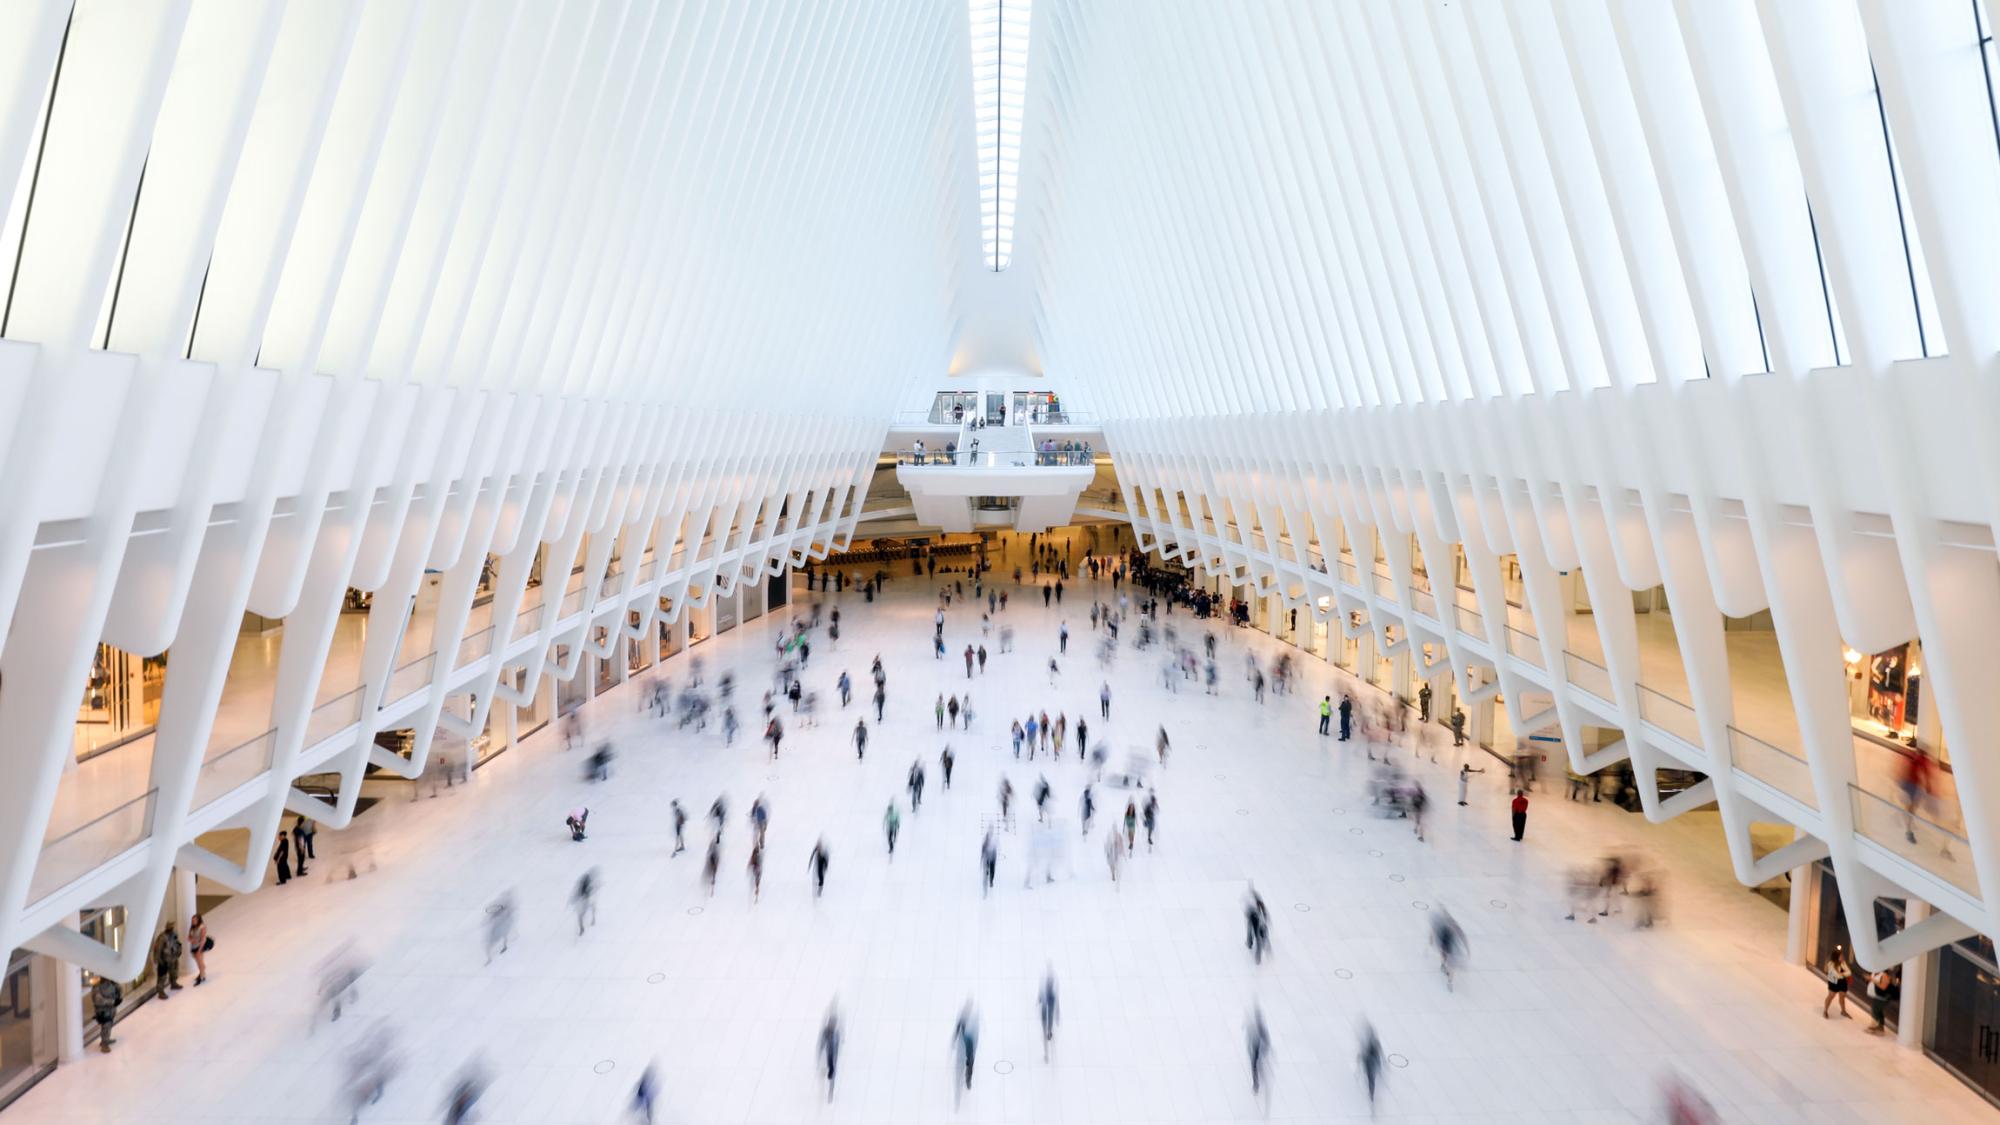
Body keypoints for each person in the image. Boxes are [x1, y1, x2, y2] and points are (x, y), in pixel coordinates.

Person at [952, 1002, 979, 1105]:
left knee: (970, 1062)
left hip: (969, 1044)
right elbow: (958, 1028)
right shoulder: (965, 1018)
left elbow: (958, 1029)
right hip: (967, 1044)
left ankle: (968, 1078)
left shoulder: (971, 1019)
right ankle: (968, 1078)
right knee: (969, 1061)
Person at [1433, 907, 1467, 990]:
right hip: (1446, 944)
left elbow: (1461, 935)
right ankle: (1445, 967)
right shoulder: (1445, 927)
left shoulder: (1450, 926)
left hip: (1450, 946)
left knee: (1450, 964)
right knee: (1445, 957)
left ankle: (1449, 979)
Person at [151, 922, 184, 999]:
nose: (172, 928)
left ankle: (173, 983)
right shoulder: (162, 937)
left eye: (172, 927)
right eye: (170, 927)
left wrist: (178, 951)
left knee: (174, 972)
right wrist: (158, 959)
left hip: (173, 957)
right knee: (162, 976)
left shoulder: (174, 934)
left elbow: (177, 943)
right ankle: (160, 991)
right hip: (164, 959)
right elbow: (157, 949)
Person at [1245, 1006, 1272, 1102]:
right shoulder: (1257, 1026)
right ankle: (1256, 1083)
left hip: (1256, 1048)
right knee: (1255, 1066)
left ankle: (1256, 1084)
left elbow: (1265, 1040)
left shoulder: (1256, 1027)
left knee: (1254, 1067)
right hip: (1256, 1048)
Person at [91, 975, 122, 1052]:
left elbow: (117, 992)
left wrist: (118, 996)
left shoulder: (112, 984)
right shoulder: (97, 987)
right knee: (106, 1026)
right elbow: (99, 1000)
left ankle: (106, 1039)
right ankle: (104, 1044)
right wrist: (112, 1001)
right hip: (103, 1011)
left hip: (111, 1010)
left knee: (109, 1026)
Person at [1357, 1022, 1385, 1110]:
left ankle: (1371, 1093)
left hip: (1369, 1063)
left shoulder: (1369, 1043)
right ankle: (1371, 1093)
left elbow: (1363, 1054)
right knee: (1371, 1079)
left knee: (1370, 1079)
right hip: (1372, 1063)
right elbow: (1379, 1053)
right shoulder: (1375, 1042)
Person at [819, 1005, 842, 1102]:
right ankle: (830, 1088)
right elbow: (822, 1043)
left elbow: (836, 1045)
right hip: (828, 1052)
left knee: (833, 1070)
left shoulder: (836, 1033)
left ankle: (831, 1091)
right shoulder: (826, 1031)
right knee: (830, 1067)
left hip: (832, 1054)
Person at [1823, 951, 1854, 1019]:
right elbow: (1836, 975)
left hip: (1842, 982)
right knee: (1831, 996)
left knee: (1842, 997)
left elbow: (1849, 972)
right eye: (1841, 956)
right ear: (1836, 957)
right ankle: (1825, 1010)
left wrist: (1842, 974)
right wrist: (1843, 974)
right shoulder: (1831, 964)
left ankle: (1843, 1011)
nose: (1843, 957)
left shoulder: (1843, 962)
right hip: (1833, 982)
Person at [1038, 970, 1060, 1062]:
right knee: (1047, 1027)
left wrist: (1057, 1015)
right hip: (1045, 1013)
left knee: (1049, 1023)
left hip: (1046, 1013)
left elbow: (1056, 1005)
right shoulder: (1046, 992)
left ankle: (1049, 1032)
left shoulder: (1051, 994)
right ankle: (1046, 1054)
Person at [187, 912, 211, 985]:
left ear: (198, 920)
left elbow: (203, 939)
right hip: (193, 946)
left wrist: (199, 950)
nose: (193, 922)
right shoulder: (192, 927)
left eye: (194, 920)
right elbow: (189, 936)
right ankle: (201, 973)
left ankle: (202, 976)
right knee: (198, 962)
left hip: (199, 947)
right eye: (192, 920)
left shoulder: (202, 927)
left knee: (200, 962)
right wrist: (191, 940)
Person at [573, 869, 599, 935]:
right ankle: (591, 920)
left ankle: (583, 926)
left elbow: (578, 893)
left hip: (584, 900)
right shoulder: (587, 885)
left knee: (581, 915)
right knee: (590, 908)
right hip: (585, 900)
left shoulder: (583, 884)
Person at [981, 830, 999, 894]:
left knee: (992, 871)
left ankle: (991, 880)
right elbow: (983, 851)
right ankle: (989, 877)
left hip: (992, 858)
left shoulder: (993, 841)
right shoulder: (985, 842)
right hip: (988, 858)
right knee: (990, 870)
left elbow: (995, 850)